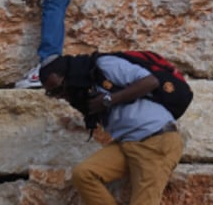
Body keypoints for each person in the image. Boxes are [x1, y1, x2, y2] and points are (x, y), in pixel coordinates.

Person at [41, 53, 183, 205]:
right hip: (129, 143)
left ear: (68, 74)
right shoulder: (85, 89)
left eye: (59, 89)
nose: (62, 96)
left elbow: (150, 81)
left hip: (155, 139)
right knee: (84, 174)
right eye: (53, 94)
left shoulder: (104, 65)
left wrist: (108, 100)